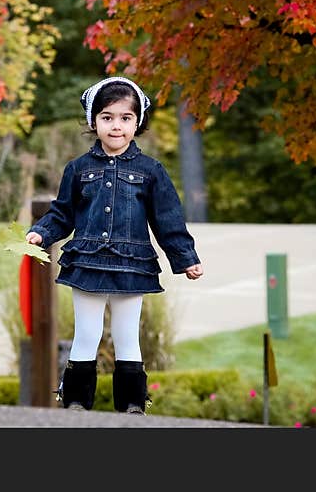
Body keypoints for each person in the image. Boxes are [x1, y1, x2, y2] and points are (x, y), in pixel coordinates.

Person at [26, 76, 204, 415]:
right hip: (88, 264)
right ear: (94, 121)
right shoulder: (78, 169)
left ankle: (133, 405)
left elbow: (168, 220)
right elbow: (62, 214)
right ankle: (77, 402)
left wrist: (185, 258)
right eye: (107, 117)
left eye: (125, 118)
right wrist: (41, 233)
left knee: (127, 336)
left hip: (132, 265)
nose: (116, 126)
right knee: (87, 333)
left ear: (138, 123)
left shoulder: (151, 171)